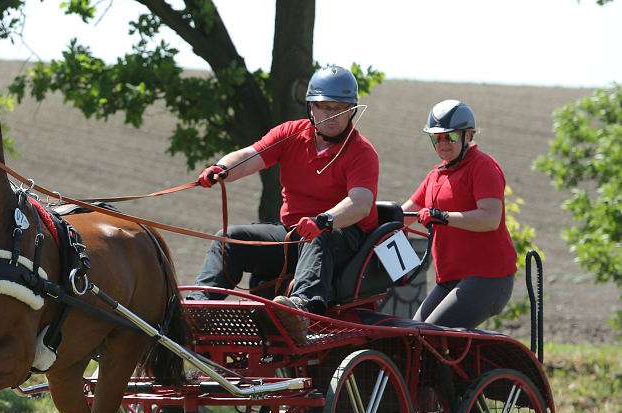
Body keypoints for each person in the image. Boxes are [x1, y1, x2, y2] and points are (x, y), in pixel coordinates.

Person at [187, 65, 380, 341]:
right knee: (229, 239)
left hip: (343, 236)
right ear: (310, 108)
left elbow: (360, 203)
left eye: (340, 108)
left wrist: (324, 220)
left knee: (318, 236)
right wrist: (222, 169)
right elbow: (249, 156)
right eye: (325, 107)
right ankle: (199, 308)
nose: (332, 115)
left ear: (352, 111)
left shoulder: (361, 151)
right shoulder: (290, 134)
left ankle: (299, 311)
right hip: (293, 233)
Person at [402, 99, 517, 329]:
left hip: (488, 278)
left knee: (429, 337)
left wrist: (442, 216)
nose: (443, 143)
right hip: (451, 279)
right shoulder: (436, 176)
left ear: (467, 136)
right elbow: (404, 214)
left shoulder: (482, 166)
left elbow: (490, 219)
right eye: (437, 137)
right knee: (412, 334)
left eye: (450, 136)